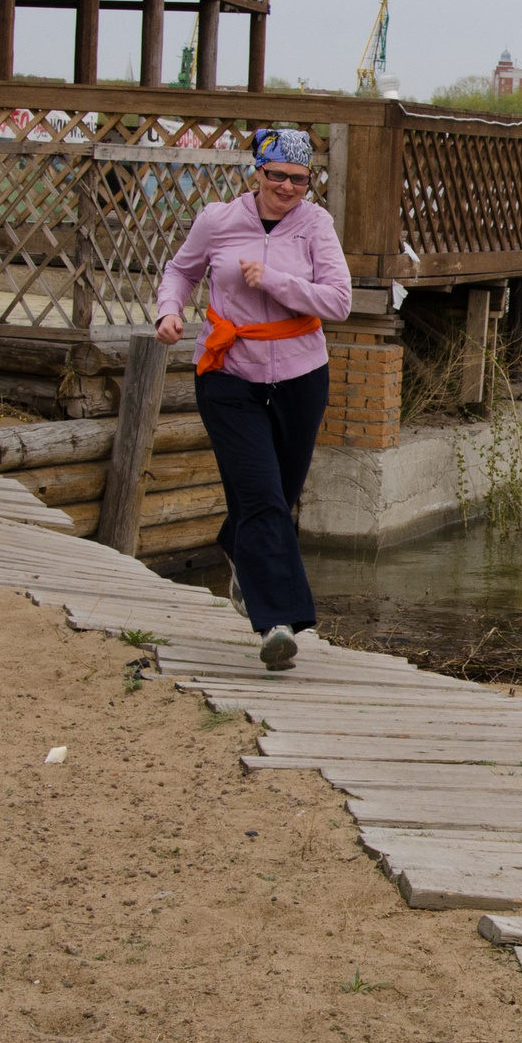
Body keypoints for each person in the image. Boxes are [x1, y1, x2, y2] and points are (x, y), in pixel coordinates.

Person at [154, 128, 350, 671]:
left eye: (300, 180)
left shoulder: (316, 226)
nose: (287, 188)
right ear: (256, 172)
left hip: (300, 372)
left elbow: (338, 301)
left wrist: (277, 281)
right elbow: (181, 270)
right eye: (277, 176)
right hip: (227, 371)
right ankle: (277, 624)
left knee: (276, 495)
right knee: (262, 496)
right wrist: (168, 311)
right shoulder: (218, 221)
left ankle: (235, 545)